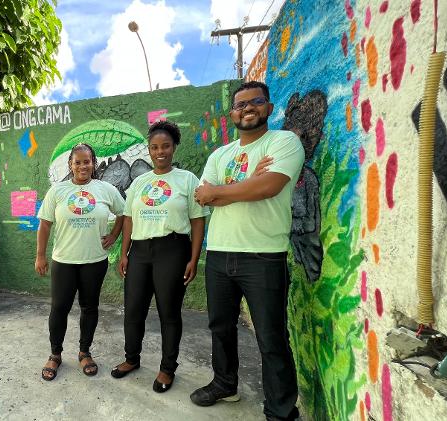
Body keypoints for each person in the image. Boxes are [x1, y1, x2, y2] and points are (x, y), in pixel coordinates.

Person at [191, 80, 305, 421]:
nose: (247, 108)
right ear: (232, 114)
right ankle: (225, 384)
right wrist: (245, 185)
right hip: (220, 254)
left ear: (268, 108)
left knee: (271, 338)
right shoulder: (219, 154)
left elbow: (268, 187)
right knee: (220, 327)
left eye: (255, 102)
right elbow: (201, 196)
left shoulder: (284, 142)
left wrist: (222, 191)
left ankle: (281, 411)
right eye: (240, 105)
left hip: (263, 256)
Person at [111, 121, 207, 393]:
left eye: (165, 146)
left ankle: (167, 369)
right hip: (140, 252)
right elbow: (129, 219)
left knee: (169, 313)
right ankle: (131, 359)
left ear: (174, 147)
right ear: (149, 150)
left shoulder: (187, 180)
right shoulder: (140, 182)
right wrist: (124, 252)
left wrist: (193, 258)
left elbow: (198, 220)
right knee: (133, 309)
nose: (160, 151)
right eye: (154, 147)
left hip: (173, 250)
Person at [35, 143, 126, 381]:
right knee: (59, 308)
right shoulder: (58, 191)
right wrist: (40, 255)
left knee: (89, 307)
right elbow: (44, 224)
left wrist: (114, 235)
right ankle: (55, 354)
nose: (82, 166)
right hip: (64, 260)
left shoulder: (105, 189)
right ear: (71, 165)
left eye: (87, 161)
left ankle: (85, 352)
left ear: (93, 164)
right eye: (78, 162)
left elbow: (124, 214)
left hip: (94, 261)